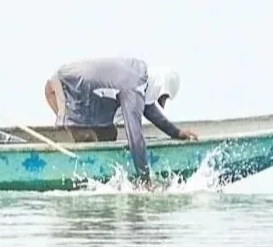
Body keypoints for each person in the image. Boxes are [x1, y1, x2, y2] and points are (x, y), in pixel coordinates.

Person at [42, 58, 195, 180]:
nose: (160, 102)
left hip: (82, 93)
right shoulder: (134, 87)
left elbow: (149, 110)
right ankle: (81, 177)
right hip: (64, 86)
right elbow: (135, 136)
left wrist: (176, 132)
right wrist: (145, 178)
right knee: (86, 137)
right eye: (162, 98)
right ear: (160, 86)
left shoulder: (139, 74)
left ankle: (104, 175)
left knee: (109, 134)